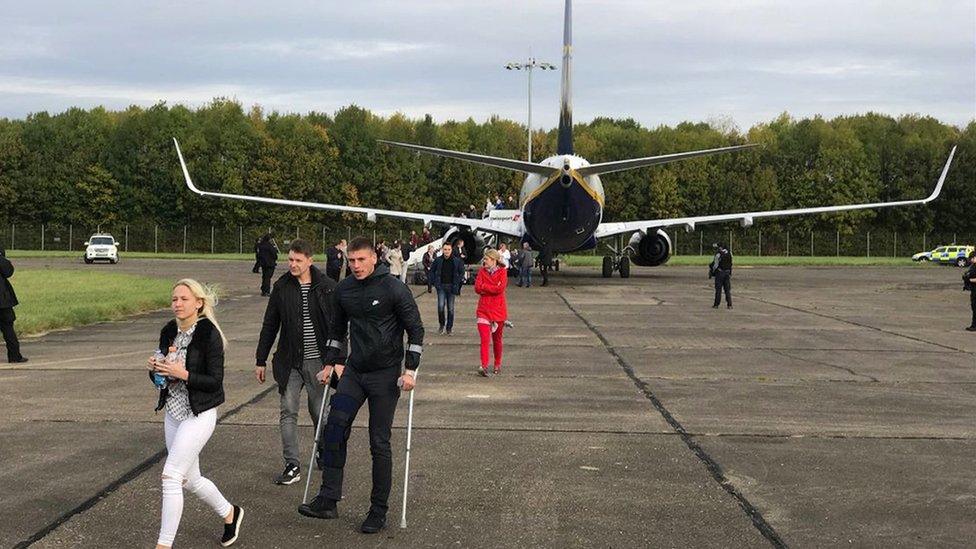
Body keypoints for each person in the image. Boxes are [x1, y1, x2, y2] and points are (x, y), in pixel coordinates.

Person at [298, 236, 424, 535]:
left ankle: (378, 511)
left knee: (378, 442)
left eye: (360, 260)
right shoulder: (344, 289)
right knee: (333, 426)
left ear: (373, 259)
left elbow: (415, 330)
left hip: (385, 375)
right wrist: (330, 363)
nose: (355, 266)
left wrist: (411, 371)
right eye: (351, 261)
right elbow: (336, 331)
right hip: (355, 371)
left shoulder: (394, 287)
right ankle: (328, 499)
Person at [148, 279, 243, 548]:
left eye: (184, 299)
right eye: (174, 299)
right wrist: (156, 369)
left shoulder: (208, 334)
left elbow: (215, 381)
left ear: (198, 303)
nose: (177, 304)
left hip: (199, 412)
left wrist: (184, 374)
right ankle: (230, 513)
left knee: (171, 476)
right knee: (190, 479)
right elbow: (161, 379)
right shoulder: (169, 330)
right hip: (174, 412)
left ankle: (163, 545)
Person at [255, 239, 337, 486]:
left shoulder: (327, 287)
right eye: (290, 259)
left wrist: (336, 361)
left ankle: (322, 447)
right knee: (287, 411)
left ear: (310, 261)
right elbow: (270, 324)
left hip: (317, 361)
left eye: (298, 260)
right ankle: (292, 464)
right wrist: (261, 359)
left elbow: (339, 328)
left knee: (318, 412)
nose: (292, 264)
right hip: (289, 361)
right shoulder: (282, 287)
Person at [475, 249, 508, 376]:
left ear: (494, 260)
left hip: (498, 311)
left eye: (487, 259)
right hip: (483, 310)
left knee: (497, 340)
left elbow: (500, 289)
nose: (484, 261)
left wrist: (485, 287)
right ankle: (484, 365)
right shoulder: (482, 271)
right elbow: (477, 288)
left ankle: (497, 363)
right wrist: (490, 288)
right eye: (484, 259)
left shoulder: (502, 272)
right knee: (484, 339)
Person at [429, 242, 464, 335]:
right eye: (445, 249)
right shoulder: (438, 260)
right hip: (441, 286)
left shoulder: (456, 261)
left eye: (448, 249)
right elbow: (432, 271)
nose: (447, 251)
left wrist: (457, 282)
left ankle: (449, 328)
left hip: (452, 287)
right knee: (440, 307)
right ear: (442, 250)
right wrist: (433, 282)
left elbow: (461, 272)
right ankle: (441, 325)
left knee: (450, 308)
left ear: (451, 250)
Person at [0, 247, 26, 363]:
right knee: (8, 328)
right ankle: (14, 356)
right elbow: (8, 271)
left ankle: (15, 355)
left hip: (3, 301)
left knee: (8, 327)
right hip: (3, 301)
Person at [710, 243, 733, 309]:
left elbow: (715, 265)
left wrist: (713, 271)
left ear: (720, 248)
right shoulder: (730, 253)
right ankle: (729, 305)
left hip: (720, 273)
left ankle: (716, 304)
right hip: (727, 273)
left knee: (718, 289)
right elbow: (731, 263)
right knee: (727, 290)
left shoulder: (718, 254)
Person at [964, 251, 976, 331]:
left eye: (972, 258)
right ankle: (973, 325)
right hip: (973, 289)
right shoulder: (973, 266)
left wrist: (969, 280)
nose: (971, 260)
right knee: (974, 307)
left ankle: (974, 325)